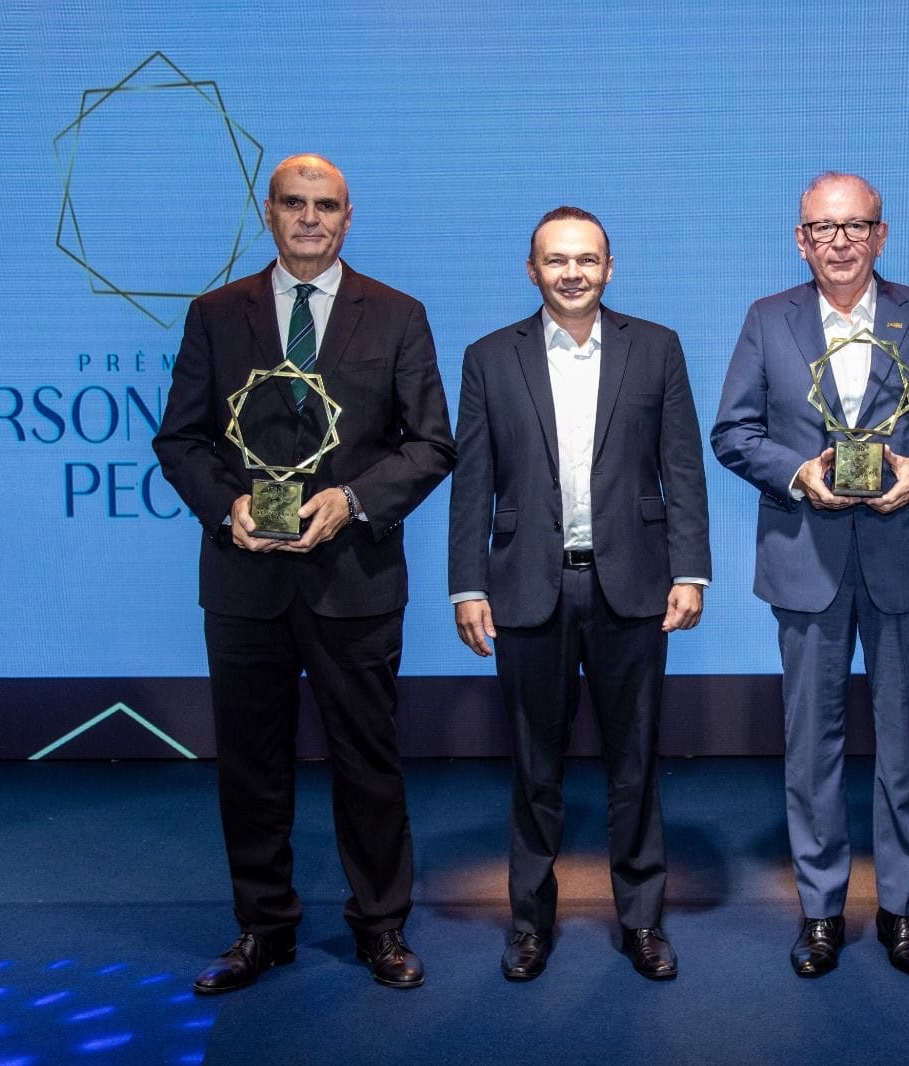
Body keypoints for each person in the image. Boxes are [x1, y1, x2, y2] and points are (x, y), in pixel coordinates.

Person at [154, 153, 455, 994]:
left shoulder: (397, 315)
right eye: (295, 203)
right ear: (270, 211)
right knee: (251, 764)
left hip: (353, 577)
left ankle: (381, 926)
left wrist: (352, 501)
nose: (310, 218)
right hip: (244, 578)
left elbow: (432, 443)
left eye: (326, 205)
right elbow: (179, 439)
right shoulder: (217, 315)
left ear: (348, 217)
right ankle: (263, 928)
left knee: (368, 761)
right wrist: (228, 508)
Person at [710, 172, 909, 978]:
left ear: (881, 234)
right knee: (810, 748)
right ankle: (821, 913)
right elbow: (733, 432)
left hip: (904, 556)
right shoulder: (768, 319)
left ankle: (901, 913)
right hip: (806, 561)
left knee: (907, 748)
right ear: (801, 240)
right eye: (823, 228)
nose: (840, 242)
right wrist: (798, 473)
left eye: (856, 226)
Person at [448, 206, 711, 982]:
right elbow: (472, 483)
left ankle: (642, 922)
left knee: (636, 765)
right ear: (532, 270)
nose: (573, 273)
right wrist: (468, 584)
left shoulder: (656, 347)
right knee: (534, 770)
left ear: (609, 268)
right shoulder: (488, 357)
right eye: (557, 260)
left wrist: (690, 571)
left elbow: (682, 466)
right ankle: (530, 925)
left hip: (634, 584)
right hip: (527, 587)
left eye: (587, 259)